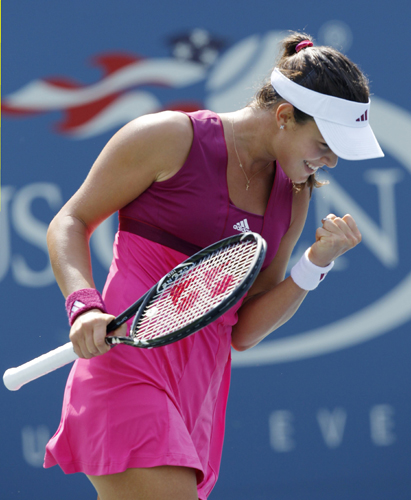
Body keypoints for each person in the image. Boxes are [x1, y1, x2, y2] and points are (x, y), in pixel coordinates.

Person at [43, 32, 384, 500]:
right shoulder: (167, 137)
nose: (332, 161)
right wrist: (83, 305)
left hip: (197, 396)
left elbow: (242, 331)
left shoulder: (297, 193)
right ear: (284, 116)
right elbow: (70, 221)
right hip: (125, 369)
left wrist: (315, 264)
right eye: (325, 144)